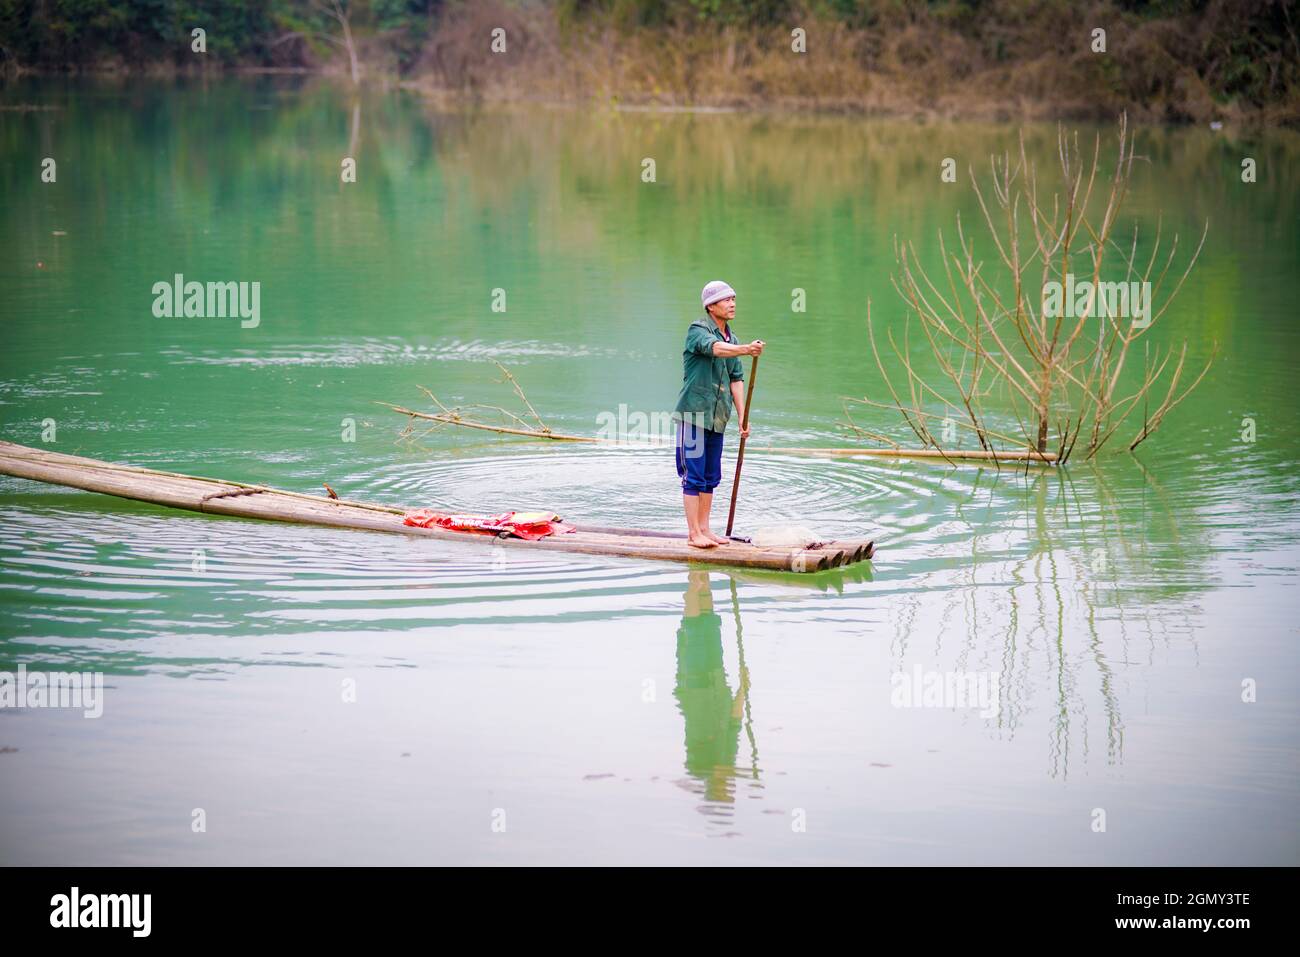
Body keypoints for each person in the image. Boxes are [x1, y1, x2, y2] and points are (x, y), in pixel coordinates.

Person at [671, 280, 764, 549]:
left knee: (711, 476)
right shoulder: (698, 330)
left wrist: (743, 417)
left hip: (717, 419)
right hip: (694, 416)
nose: (732, 304)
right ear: (711, 306)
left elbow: (736, 379)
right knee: (693, 475)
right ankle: (693, 535)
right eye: (726, 300)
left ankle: (704, 530)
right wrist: (746, 349)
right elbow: (714, 349)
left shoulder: (731, 339)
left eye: (734, 298)